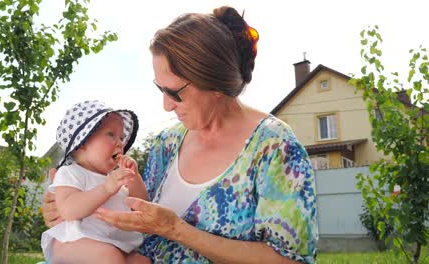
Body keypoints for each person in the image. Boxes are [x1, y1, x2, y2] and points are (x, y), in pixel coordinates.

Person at [43, 6, 318, 263]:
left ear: (216, 84)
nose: (166, 105)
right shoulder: (168, 144)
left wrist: (176, 229)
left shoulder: (274, 147)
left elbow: (290, 259)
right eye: (159, 89)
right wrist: (67, 210)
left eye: (174, 92)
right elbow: (131, 214)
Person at [41, 100, 148, 264]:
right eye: (111, 135)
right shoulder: (71, 173)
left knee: (142, 261)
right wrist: (105, 189)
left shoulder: (115, 178)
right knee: (109, 257)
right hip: (72, 242)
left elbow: (143, 205)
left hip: (114, 245)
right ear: (82, 143)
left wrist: (134, 178)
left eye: (121, 137)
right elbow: (69, 210)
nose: (120, 143)